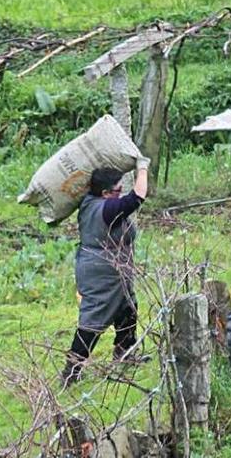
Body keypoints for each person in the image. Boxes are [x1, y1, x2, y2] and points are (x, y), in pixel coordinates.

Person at [60, 156, 150, 388]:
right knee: (93, 320)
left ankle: (125, 353)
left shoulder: (90, 202)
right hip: (102, 272)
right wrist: (142, 168)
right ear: (106, 193)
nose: (121, 194)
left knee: (128, 307)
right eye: (118, 190)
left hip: (109, 268)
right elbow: (137, 197)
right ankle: (72, 371)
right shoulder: (107, 208)